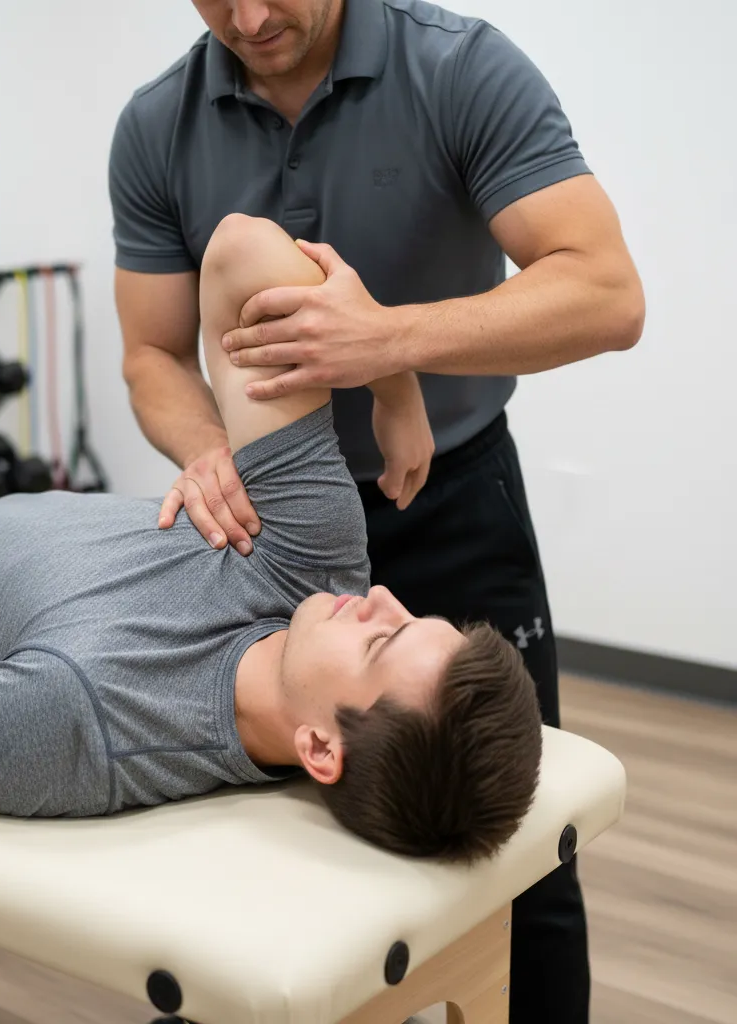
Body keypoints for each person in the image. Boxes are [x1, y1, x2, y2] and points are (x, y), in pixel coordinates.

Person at [111, 0, 645, 1018]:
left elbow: (607, 294)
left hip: (447, 503)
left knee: (519, 857)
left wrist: (389, 346)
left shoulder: (459, 69)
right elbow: (152, 352)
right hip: (266, 533)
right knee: (244, 865)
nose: (248, 17)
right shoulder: (155, 125)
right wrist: (208, 452)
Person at [0, 214, 541, 864]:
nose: (380, 597)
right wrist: (392, 375)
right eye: (409, 614)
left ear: (321, 747)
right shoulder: (315, 556)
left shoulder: (91, 722)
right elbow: (242, 253)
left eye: (381, 640)